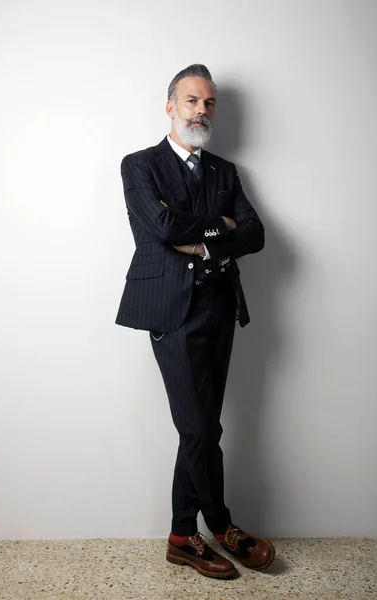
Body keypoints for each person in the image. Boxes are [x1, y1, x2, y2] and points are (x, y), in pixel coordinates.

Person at [115, 64, 275, 579]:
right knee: (201, 426)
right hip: (171, 309)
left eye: (208, 103)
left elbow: (254, 234)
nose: (201, 110)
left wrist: (209, 231)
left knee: (204, 427)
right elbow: (160, 227)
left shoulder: (224, 172)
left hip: (220, 306)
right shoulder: (139, 165)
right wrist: (219, 225)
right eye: (191, 101)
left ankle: (185, 535)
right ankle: (217, 525)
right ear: (170, 106)